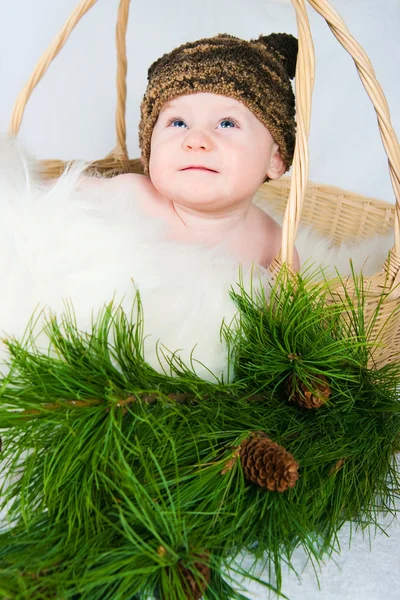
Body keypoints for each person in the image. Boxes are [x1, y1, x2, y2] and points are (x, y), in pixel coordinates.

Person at [80, 32, 300, 270]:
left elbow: (286, 306)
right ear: (149, 152)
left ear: (275, 160)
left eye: (227, 123)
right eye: (178, 123)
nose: (196, 140)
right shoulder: (128, 197)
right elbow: (47, 202)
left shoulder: (274, 247)